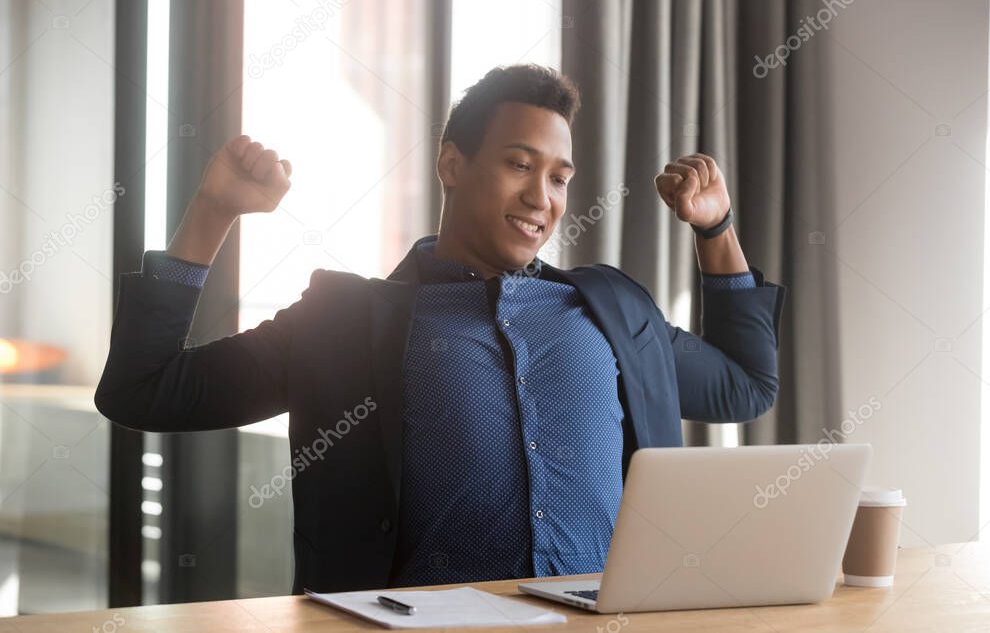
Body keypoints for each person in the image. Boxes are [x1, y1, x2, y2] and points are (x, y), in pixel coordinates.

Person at [95, 63, 786, 594]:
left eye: (558, 177)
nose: (539, 198)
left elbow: (745, 387)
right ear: (452, 164)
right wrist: (214, 211)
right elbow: (145, 392)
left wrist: (715, 230)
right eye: (519, 164)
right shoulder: (342, 323)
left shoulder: (611, 309)